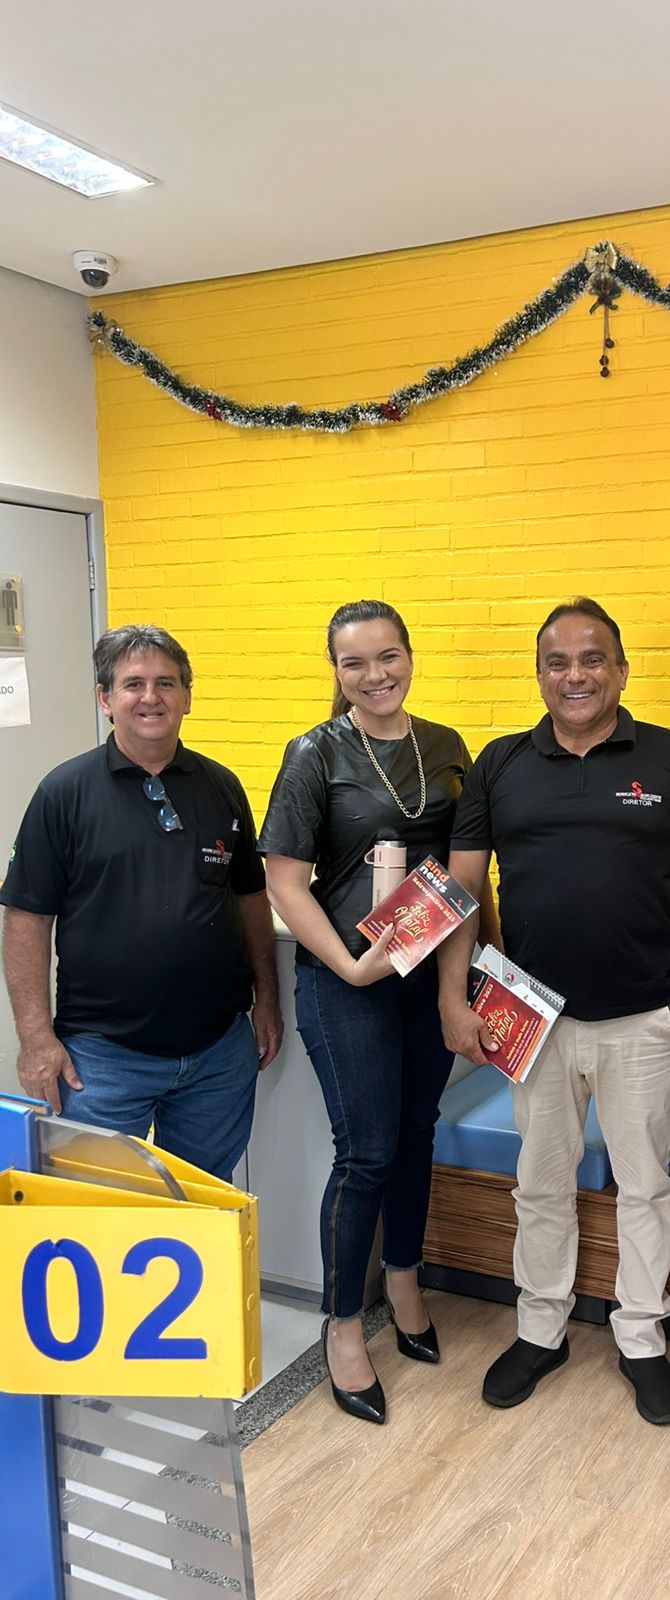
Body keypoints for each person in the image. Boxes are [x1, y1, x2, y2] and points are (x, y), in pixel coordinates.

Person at [439, 597, 670, 1426]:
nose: (575, 675)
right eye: (558, 662)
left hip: (643, 1017)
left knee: (645, 1186)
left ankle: (641, 1338)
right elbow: (463, 888)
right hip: (531, 1018)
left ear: (622, 671)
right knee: (540, 1184)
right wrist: (454, 997)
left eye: (592, 659)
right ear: (539, 675)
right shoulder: (499, 765)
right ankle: (541, 1330)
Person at [260, 599, 492, 1426]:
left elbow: (466, 877)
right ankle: (342, 1323)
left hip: (427, 976)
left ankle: (403, 1279)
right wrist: (350, 965)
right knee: (366, 1154)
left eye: (387, 656)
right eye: (354, 662)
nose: (374, 674)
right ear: (336, 671)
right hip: (346, 981)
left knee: (417, 1133)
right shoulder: (314, 753)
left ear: (409, 656)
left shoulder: (447, 746)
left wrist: (467, 980)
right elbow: (284, 880)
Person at [0, 624, 281, 1183]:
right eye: (133, 684)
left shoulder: (222, 787)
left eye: (166, 683)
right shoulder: (64, 793)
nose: (151, 697)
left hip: (218, 1055)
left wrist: (266, 1000)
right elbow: (26, 918)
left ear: (187, 696)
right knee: (102, 1212)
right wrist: (35, 1039)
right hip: (101, 1061)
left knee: (203, 1208)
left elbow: (251, 897)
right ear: (105, 699)